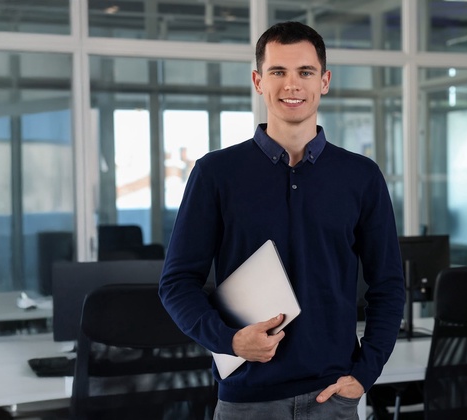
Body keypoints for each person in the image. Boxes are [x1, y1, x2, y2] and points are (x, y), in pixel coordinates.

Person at [159, 21, 406, 419]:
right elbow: (176, 284)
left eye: (305, 72)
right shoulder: (216, 173)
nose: (292, 85)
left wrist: (365, 373)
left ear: (324, 81)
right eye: (278, 72)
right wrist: (230, 340)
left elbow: (389, 285)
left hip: (333, 396)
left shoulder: (360, 176)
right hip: (246, 400)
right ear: (258, 81)